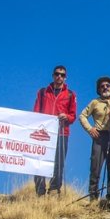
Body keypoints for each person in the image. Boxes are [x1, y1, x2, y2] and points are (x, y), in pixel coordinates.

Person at [32, 65, 76, 196]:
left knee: (58, 163)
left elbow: (73, 116)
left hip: (62, 133)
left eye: (62, 75)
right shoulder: (43, 92)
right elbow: (35, 112)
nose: (59, 77)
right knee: (39, 160)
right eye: (57, 74)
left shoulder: (70, 94)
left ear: (65, 77)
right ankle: (39, 191)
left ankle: (54, 190)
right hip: (44, 133)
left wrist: (66, 116)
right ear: (53, 75)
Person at [79, 76, 110, 200]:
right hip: (100, 136)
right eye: (102, 86)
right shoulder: (95, 102)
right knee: (95, 166)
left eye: (107, 85)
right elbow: (82, 116)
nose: (105, 87)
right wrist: (90, 129)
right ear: (98, 89)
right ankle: (93, 197)